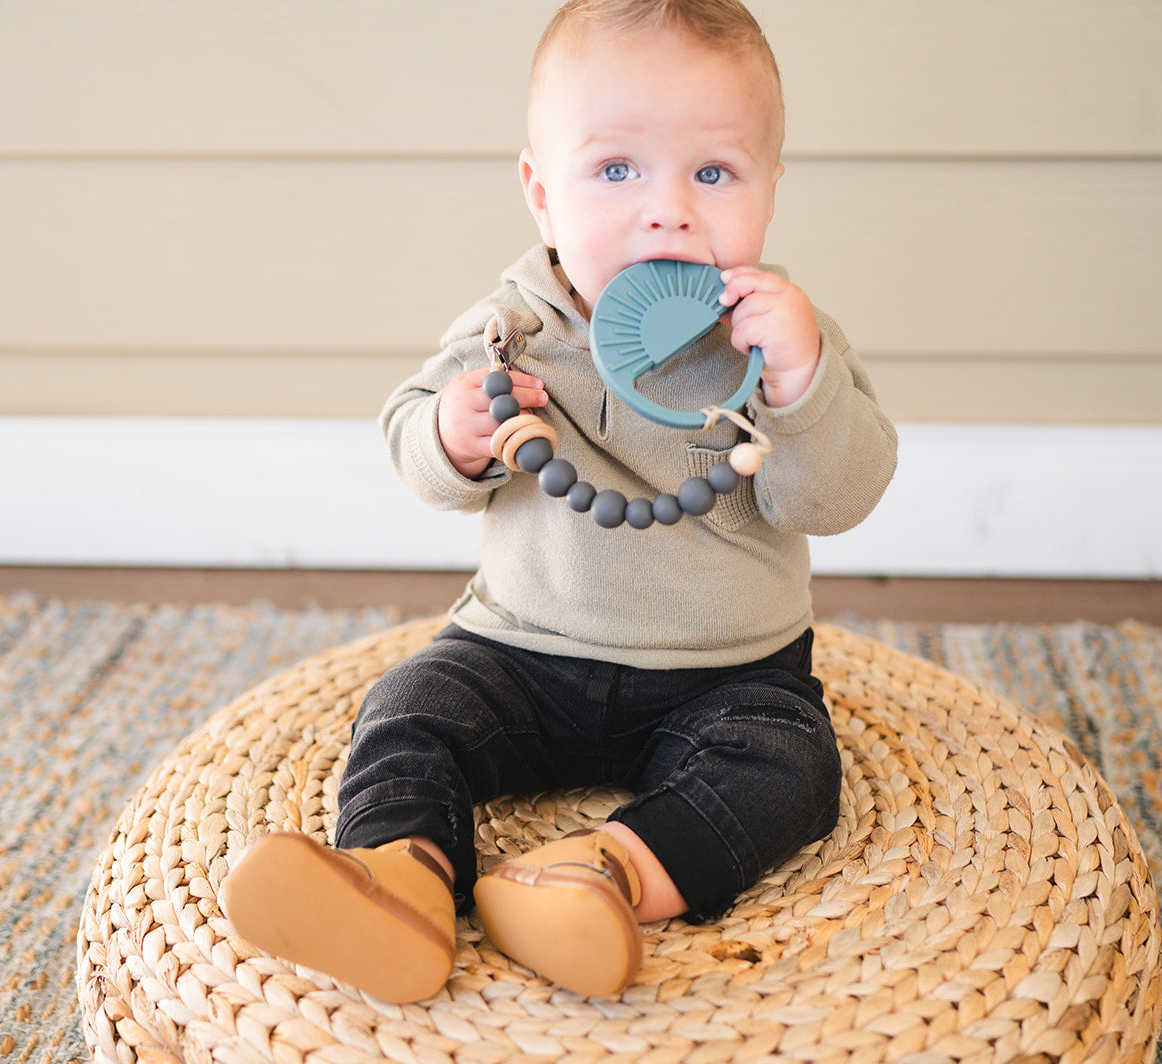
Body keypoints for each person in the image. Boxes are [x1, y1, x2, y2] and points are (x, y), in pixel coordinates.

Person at [222, 0, 897, 1002]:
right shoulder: (508, 332)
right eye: (616, 169)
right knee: (408, 708)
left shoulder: (778, 343)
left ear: (768, 188)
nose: (666, 207)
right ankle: (399, 874)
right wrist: (452, 433)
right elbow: (409, 438)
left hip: (723, 671)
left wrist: (800, 388)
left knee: (790, 767)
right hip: (519, 651)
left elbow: (835, 495)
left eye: (712, 172)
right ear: (542, 194)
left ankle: (599, 871)